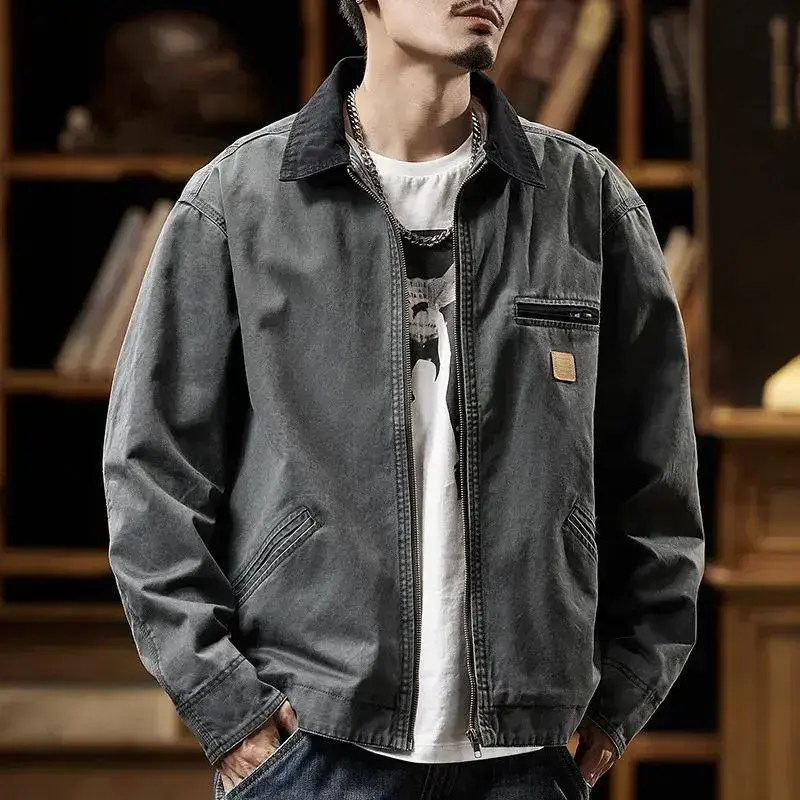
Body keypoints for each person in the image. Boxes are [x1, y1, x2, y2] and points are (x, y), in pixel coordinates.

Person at [102, 1, 705, 797]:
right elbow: (151, 478)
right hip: (312, 748)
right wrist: (228, 709)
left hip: (529, 757)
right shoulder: (237, 203)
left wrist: (624, 693)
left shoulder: (587, 203)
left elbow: (658, 489)